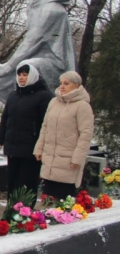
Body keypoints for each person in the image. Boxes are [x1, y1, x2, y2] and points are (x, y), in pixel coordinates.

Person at [0, 62, 53, 204]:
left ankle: (26, 208)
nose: (21, 78)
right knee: (12, 179)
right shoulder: (13, 95)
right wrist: (0, 138)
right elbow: (6, 117)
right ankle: (11, 206)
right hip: (13, 145)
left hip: (31, 147)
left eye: (25, 75)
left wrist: (41, 145)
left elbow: (46, 123)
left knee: (27, 180)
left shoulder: (43, 96)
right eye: (19, 75)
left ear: (33, 76)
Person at [33, 71, 94, 200]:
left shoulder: (82, 106)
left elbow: (86, 134)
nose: (62, 86)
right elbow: (45, 127)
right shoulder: (54, 102)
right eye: (61, 83)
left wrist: (77, 158)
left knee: (63, 201)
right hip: (50, 159)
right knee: (48, 200)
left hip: (67, 161)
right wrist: (39, 148)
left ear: (76, 86)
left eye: (66, 83)